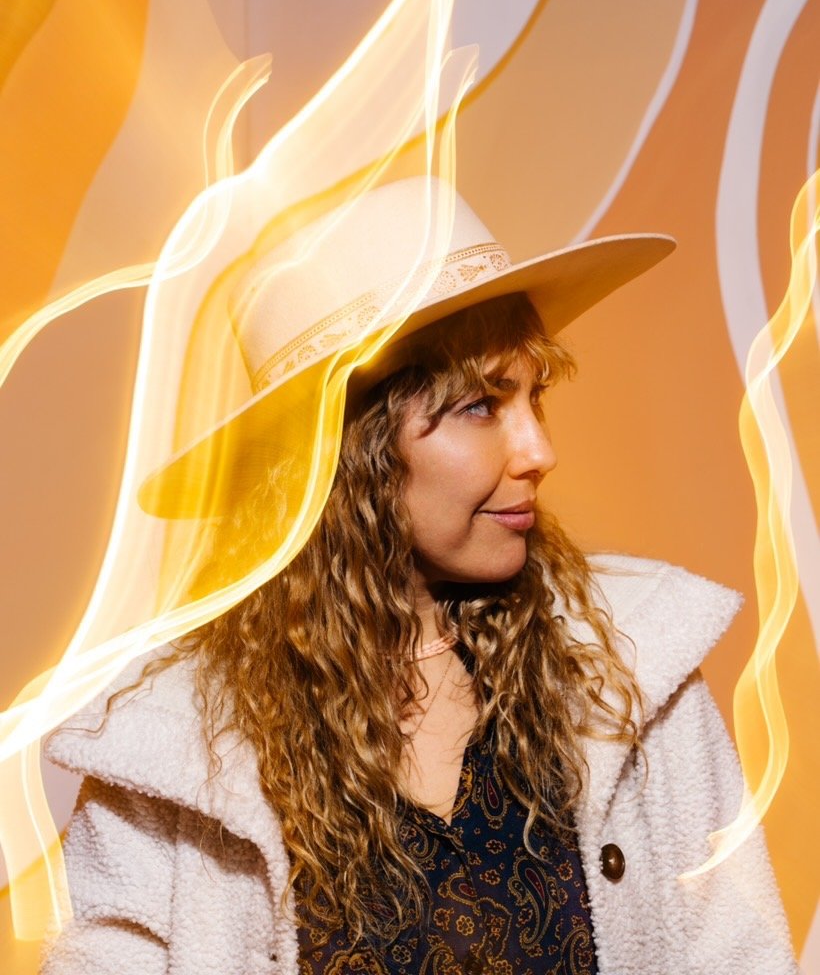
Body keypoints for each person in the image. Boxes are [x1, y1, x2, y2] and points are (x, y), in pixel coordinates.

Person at [41, 179, 797, 975]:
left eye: (535, 398)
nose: (539, 451)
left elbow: (742, 958)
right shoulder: (174, 743)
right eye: (481, 405)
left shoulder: (635, 666)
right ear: (350, 446)